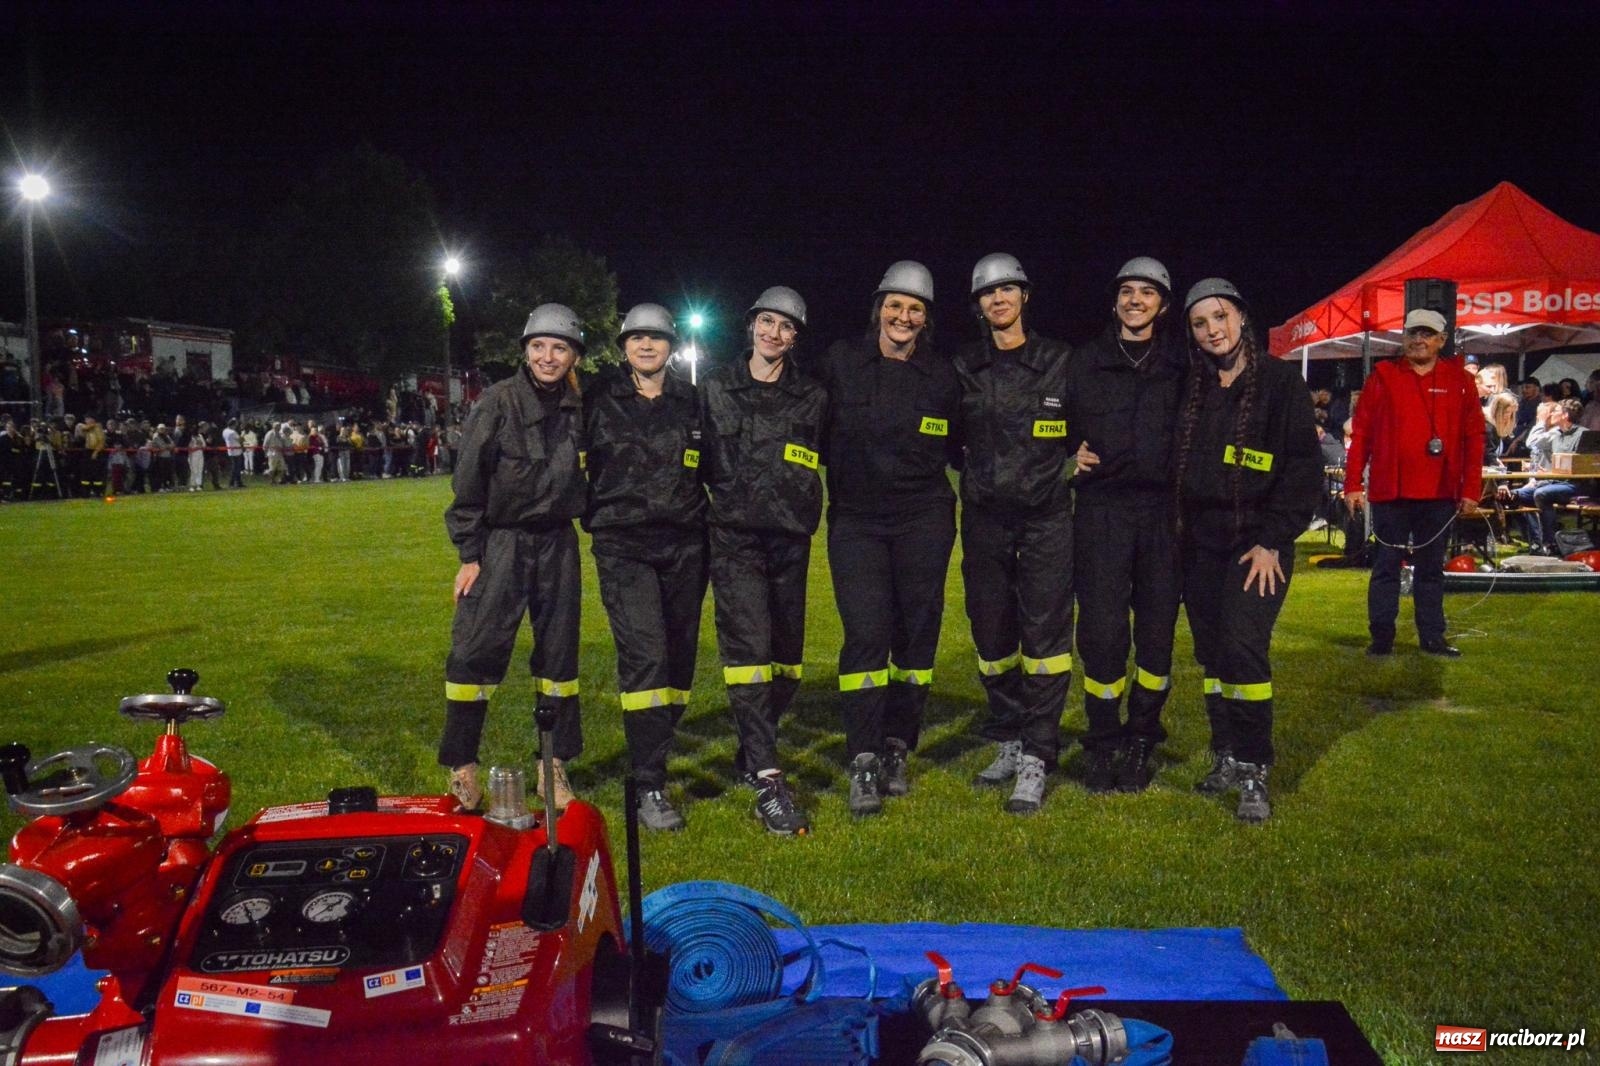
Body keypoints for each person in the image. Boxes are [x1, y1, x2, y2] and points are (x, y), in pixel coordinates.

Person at [818, 261, 961, 816]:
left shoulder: (943, 377)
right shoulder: (839, 363)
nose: (903, 316)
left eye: (915, 308)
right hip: (856, 521)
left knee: (917, 636)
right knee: (866, 636)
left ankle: (899, 744)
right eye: (895, 305)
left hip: (924, 519)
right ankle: (863, 758)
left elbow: (975, 443)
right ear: (878, 307)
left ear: (926, 318)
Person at [1176, 279, 1321, 823]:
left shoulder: (1281, 384)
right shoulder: (1193, 387)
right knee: (1212, 657)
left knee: (1242, 649)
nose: (1213, 330)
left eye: (1221, 317)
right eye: (1200, 323)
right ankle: (1227, 756)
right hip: (1200, 545)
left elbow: (1303, 470)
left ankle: (1256, 767)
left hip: (1257, 546)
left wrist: (1273, 539)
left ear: (1241, 317)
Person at [441, 303, 589, 812]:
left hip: (558, 545)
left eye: (560, 347)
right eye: (539, 346)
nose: (548, 356)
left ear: (574, 356)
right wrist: (470, 553)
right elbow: (467, 484)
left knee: (559, 662)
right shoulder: (498, 403)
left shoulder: (578, 409)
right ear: (525, 350)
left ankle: (553, 767)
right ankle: (463, 769)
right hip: (500, 544)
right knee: (473, 655)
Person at [700, 286, 826, 835]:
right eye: (766, 322)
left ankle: (754, 746)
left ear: (795, 337)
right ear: (750, 325)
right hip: (734, 541)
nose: (774, 333)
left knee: (788, 661)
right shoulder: (713, 388)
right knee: (748, 651)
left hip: (790, 539)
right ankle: (769, 780)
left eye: (786, 326)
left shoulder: (815, 397)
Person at [955, 253, 1075, 814]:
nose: (998, 299)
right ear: (979, 304)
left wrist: (1085, 456)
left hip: (1047, 519)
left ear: (1025, 296)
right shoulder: (963, 368)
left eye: (1008, 290)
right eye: (988, 293)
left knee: (1045, 642)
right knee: (992, 636)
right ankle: (1008, 738)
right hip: (984, 521)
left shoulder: (1060, 362)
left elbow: (1094, 426)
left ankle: (1038, 755)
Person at [583, 304, 708, 832]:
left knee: (679, 664)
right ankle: (649, 782)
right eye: (637, 338)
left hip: (685, 545)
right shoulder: (597, 401)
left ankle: (656, 740)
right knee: (647, 658)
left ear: (671, 345)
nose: (647, 345)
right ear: (623, 346)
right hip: (624, 545)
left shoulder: (694, 402)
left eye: (656, 337)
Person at [1064, 257, 1186, 793]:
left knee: (1157, 636)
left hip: (1164, 517)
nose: (1136, 300)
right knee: (1102, 635)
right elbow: (1050, 420)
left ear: (1163, 304)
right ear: (1114, 300)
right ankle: (1103, 740)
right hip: (1102, 513)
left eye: (1148, 293)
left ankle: (1141, 739)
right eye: (1127, 291)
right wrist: (1068, 452)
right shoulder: (1084, 361)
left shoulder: (1183, 364)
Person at [1345, 309, 1483, 659]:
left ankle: (1432, 636)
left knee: (1431, 569)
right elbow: (1360, 433)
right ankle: (1381, 636)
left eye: (1427, 334)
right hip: (1391, 491)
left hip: (1440, 492)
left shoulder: (1461, 381)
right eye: (1412, 333)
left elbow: (1474, 438)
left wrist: (1471, 489)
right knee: (1386, 566)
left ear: (1442, 340)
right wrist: (1352, 485)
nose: (1418, 340)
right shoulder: (1383, 376)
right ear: (1403, 337)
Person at [1499, 398, 1586, 554]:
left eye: (1556, 411)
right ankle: (1535, 543)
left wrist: (1554, 470)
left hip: (1572, 484)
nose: (1552, 414)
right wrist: (1545, 471)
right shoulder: (1555, 434)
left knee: (1542, 494)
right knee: (1510, 496)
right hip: (1552, 481)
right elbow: (1533, 445)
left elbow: (1581, 463)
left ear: (1565, 415)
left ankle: (1550, 543)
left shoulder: (1583, 434)